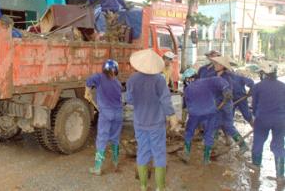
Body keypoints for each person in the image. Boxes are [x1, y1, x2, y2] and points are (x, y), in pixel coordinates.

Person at [126, 49, 178, 191]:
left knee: (142, 151)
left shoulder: (132, 79)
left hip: (139, 122)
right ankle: (160, 188)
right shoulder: (159, 80)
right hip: (156, 123)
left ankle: (143, 186)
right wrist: (172, 117)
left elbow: (129, 100)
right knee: (159, 153)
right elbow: (166, 100)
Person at [180, 74, 232, 164]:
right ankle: (206, 159)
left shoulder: (188, 88)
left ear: (191, 79)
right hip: (210, 112)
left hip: (195, 113)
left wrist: (185, 120)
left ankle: (186, 153)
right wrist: (226, 89)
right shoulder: (206, 81)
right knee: (209, 134)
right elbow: (218, 79)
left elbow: (185, 107)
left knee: (189, 132)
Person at [247, 61, 285, 184]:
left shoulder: (258, 86)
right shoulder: (283, 86)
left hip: (262, 119)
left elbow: (254, 105)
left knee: (258, 141)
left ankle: (256, 165)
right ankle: (280, 176)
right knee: (279, 146)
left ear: (264, 73)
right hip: (280, 120)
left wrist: (256, 116)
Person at [85, 59, 123, 176]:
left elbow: (89, 80)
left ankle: (97, 167)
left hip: (106, 114)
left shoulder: (100, 77)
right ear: (116, 71)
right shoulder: (118, 83)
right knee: (115, 138)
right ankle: (115, 163)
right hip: (118, 114)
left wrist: (87, 92)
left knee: (102, 139)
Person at [211, 56, 249, 154]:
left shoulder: (226, 77)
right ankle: (213, 145)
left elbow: (228, 95)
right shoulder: (217, 76)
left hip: (224, 106)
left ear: (222, 66)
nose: (215, 65)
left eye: (217, 64)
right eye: (215, 63)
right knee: (215, 124)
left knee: (228, 126)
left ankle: (243, 145)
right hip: (220, 105)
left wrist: (219, 106)